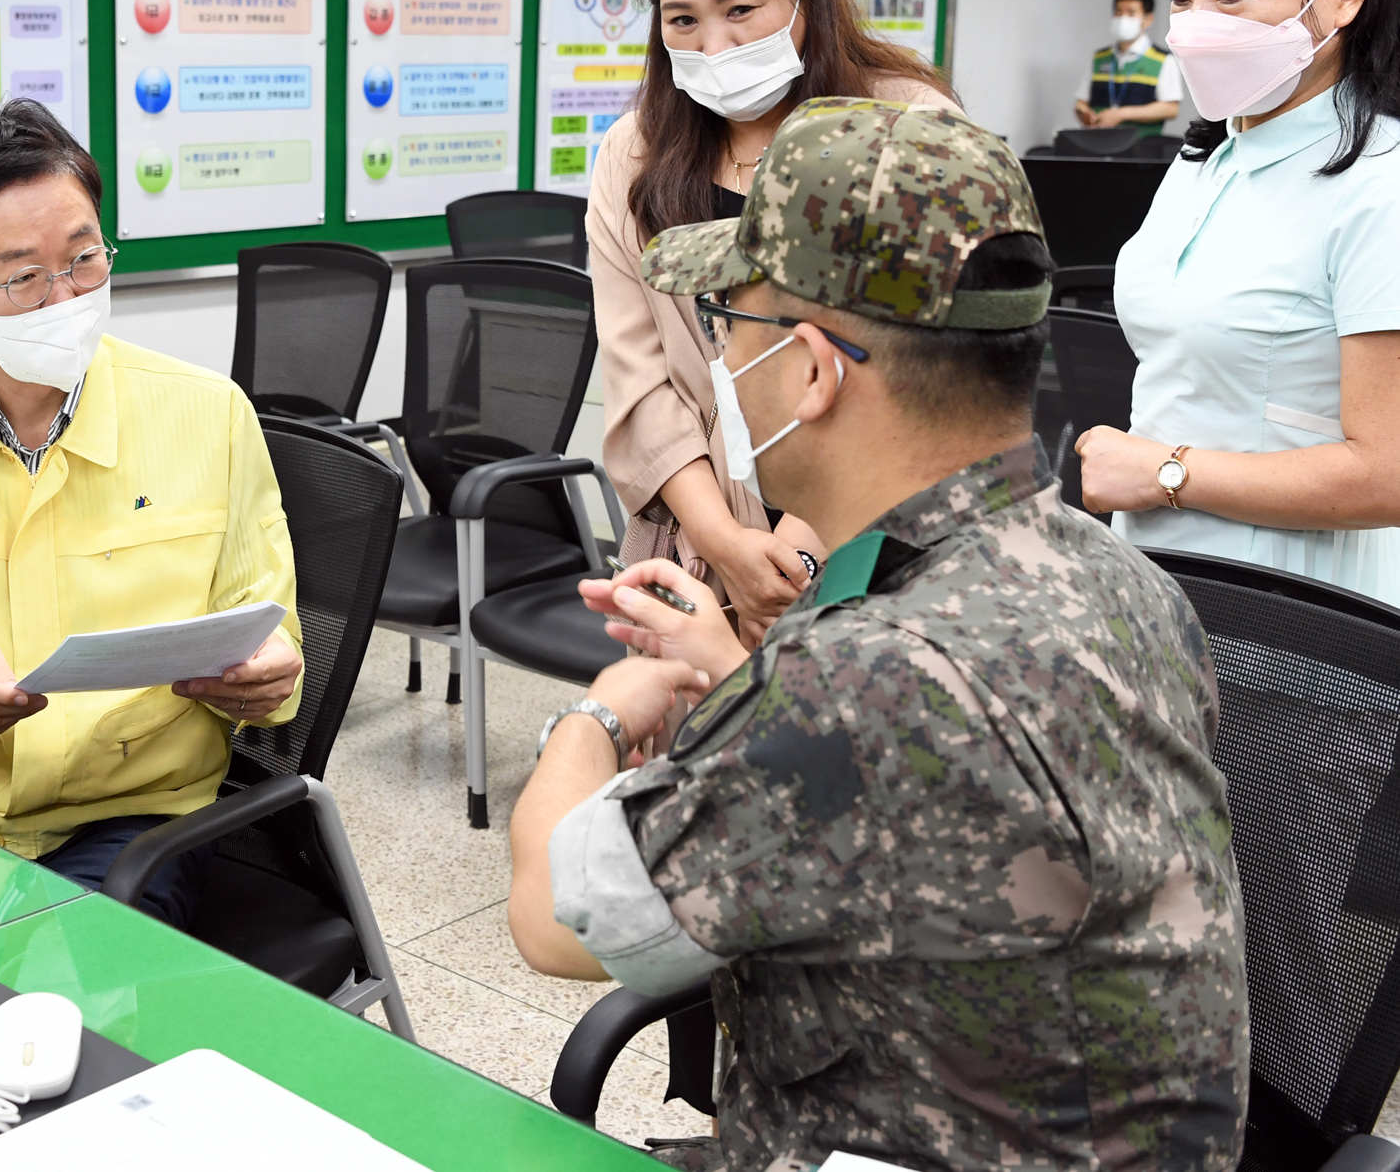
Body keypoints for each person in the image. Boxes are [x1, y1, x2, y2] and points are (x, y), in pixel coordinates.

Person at [510, 98, 1247, 1171]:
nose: (720, 355)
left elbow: (552, 917)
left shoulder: (861, 684)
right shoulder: (1121, 577)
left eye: (728, 323)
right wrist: (737, 679)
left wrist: (596, 714)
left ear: (811, 370)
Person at [0, 100, 304, 927]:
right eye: (22, 275)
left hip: (136, 818)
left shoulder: (207, 415)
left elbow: (264, 624)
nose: (64, 296)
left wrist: (268, 675)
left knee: (46, 996)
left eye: (83, 259)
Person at [590, 0, 956, 675]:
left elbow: (923, 369)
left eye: (741, 9)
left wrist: (798, 554)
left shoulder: (910, 127)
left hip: (872, 533)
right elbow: (639, 376)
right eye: (681, 20)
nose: (713, 46)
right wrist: (726, 544)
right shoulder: (635, 155)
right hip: (700, 544)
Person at [1078, 0, 1400, 605]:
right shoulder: (1207, 157)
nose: (1195, 29)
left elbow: (1388, 472)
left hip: (1295, 611)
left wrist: (1161, 470)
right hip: (1157, 582)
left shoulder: (1380, 185)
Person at [1072, 0, 1185, 133]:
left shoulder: (1163, 59)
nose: (1123, 18)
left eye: (1131, 13)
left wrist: (1121, 115)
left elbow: (1170, 109)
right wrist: (1085, 114)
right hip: (1099, 143)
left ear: (1148, 19)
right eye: (1118, 12)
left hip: (1141, 148)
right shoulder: (1100, 58)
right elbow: (1081, 102)